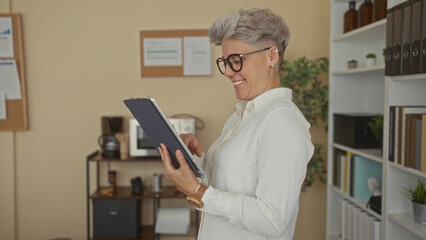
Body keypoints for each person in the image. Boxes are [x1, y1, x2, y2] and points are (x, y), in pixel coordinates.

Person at [158, 8, 314, 240]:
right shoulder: (243, 115)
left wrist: (198, 191)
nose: (228, 72)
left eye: (237, 60)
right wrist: (192, 160)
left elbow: (272, 220)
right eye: (225, 61)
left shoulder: (282, 122)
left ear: (272, 56)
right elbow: (228, 183)